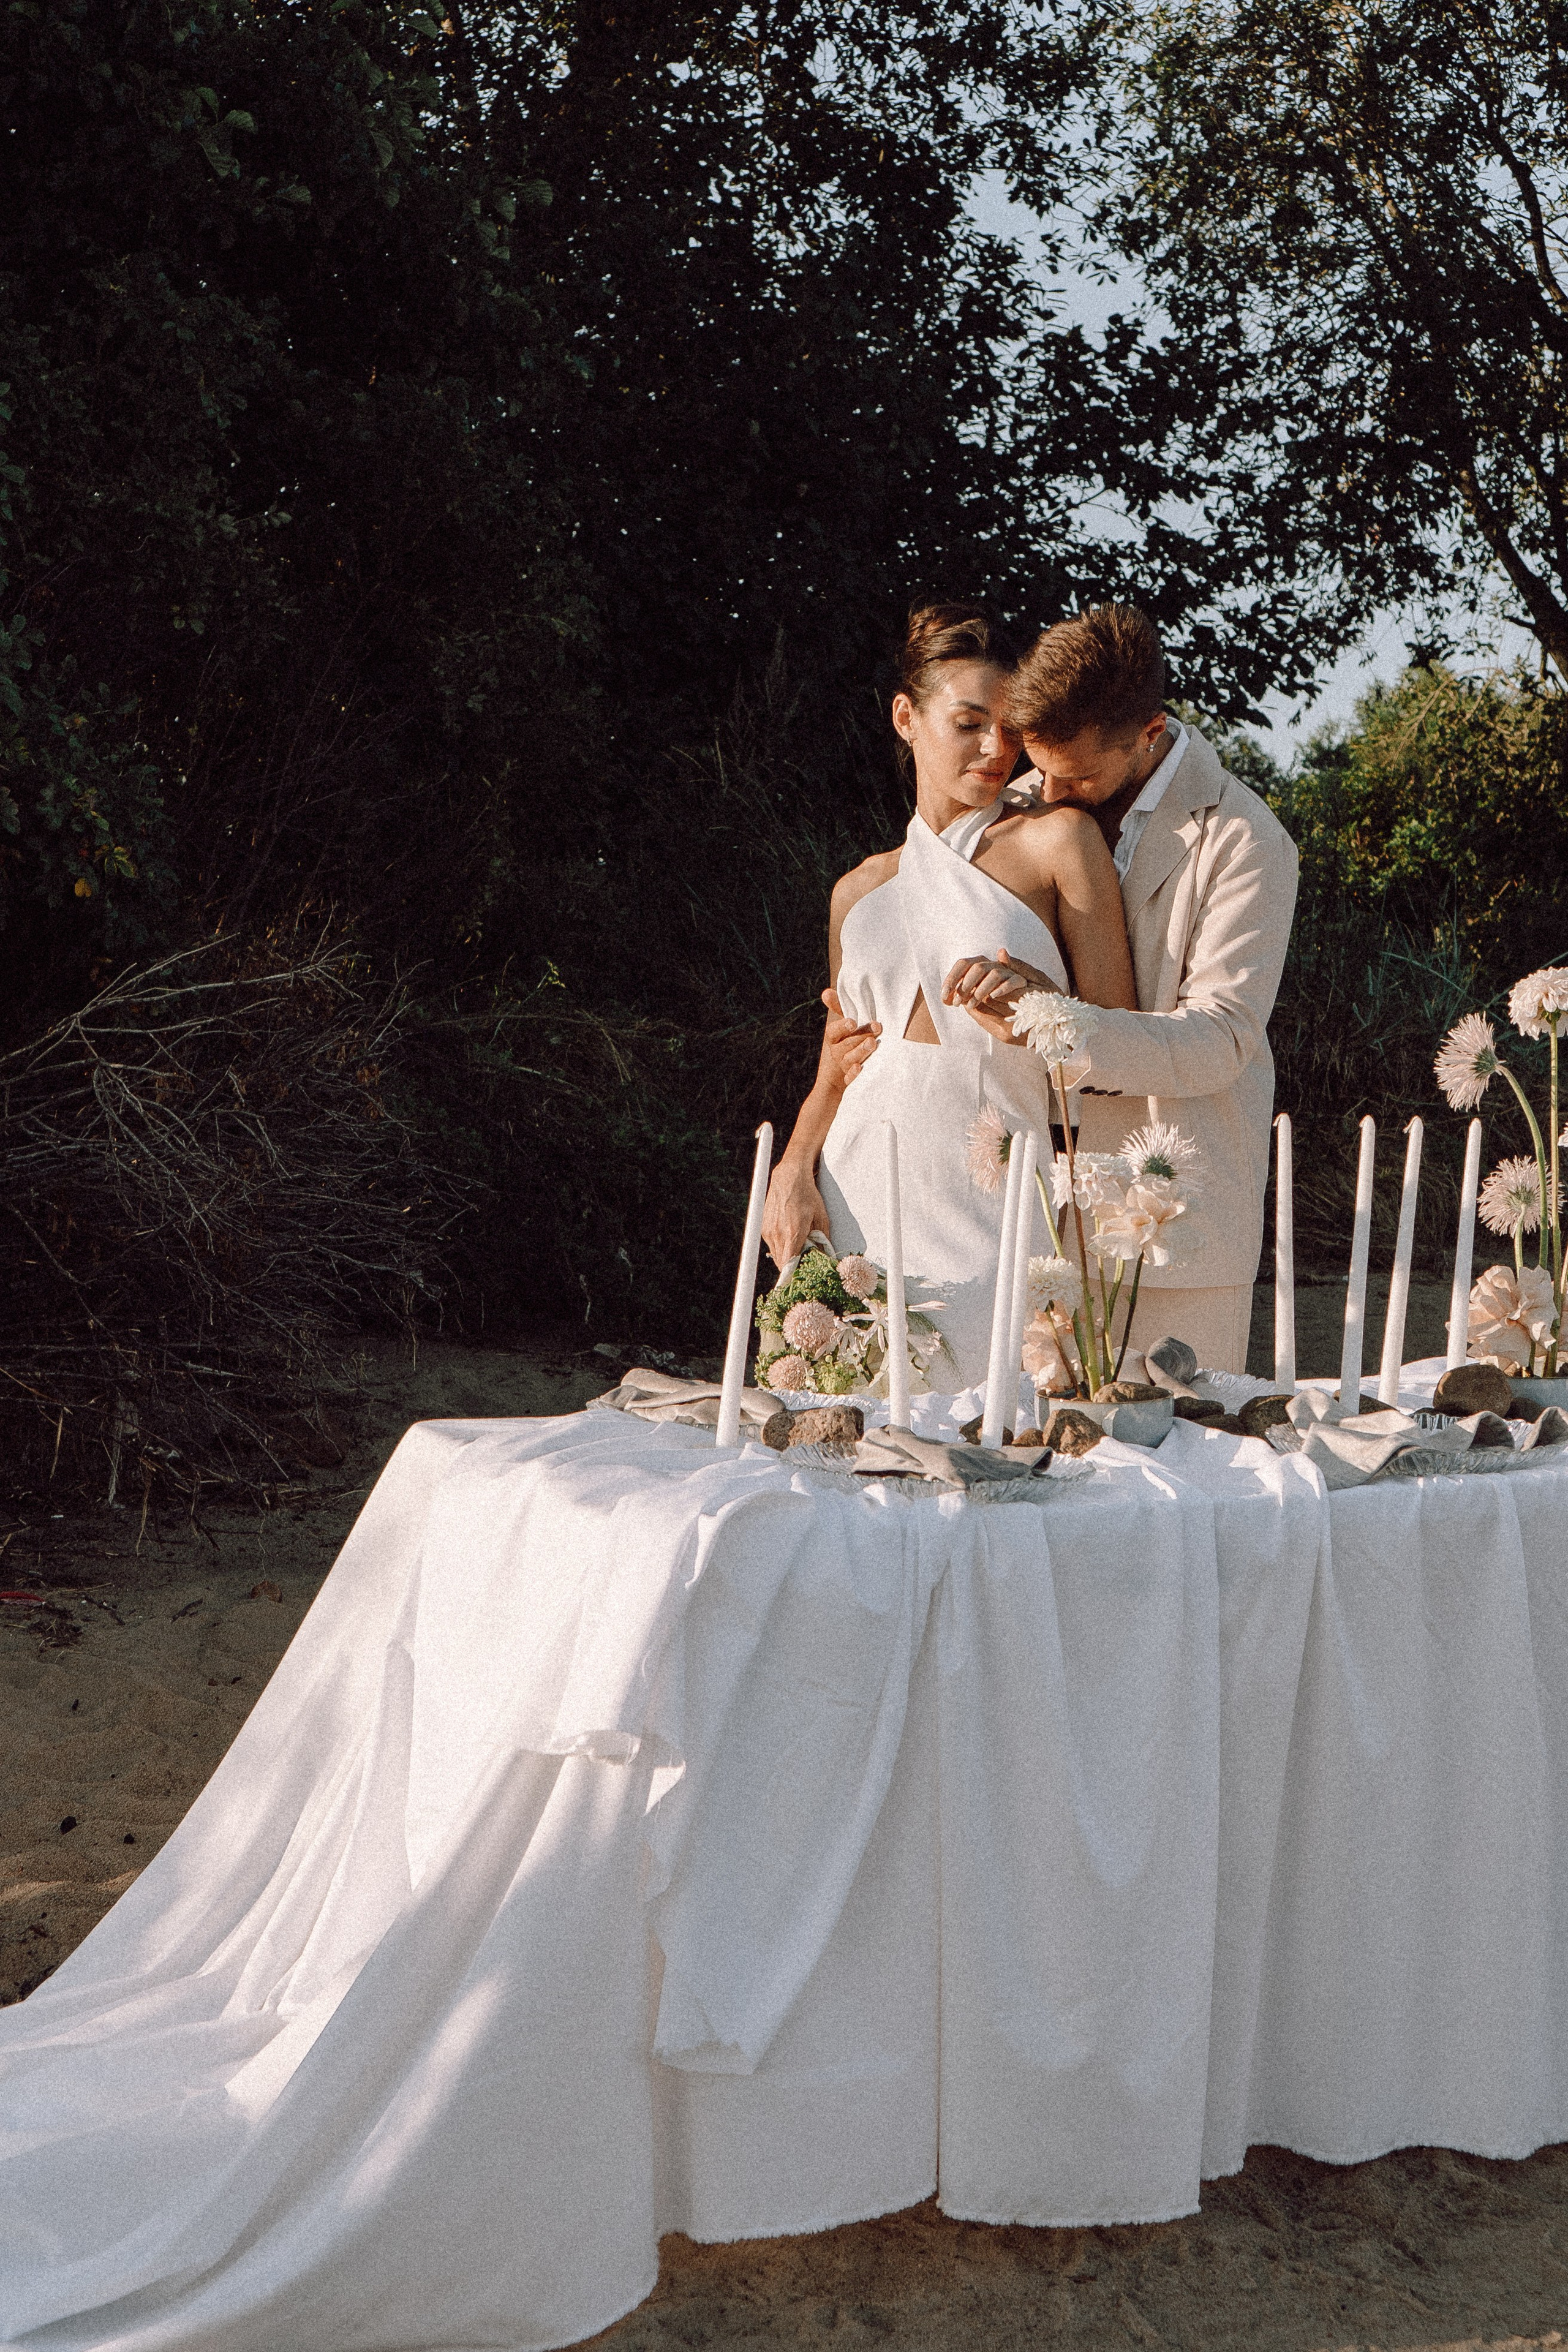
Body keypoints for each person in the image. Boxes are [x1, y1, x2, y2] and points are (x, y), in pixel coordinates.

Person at [761, 603, 1136, 1387]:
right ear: (906, 717)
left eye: (1008, 728)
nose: (995, 749)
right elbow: (842, 1061)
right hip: (857, 1190)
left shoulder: (1059, 843)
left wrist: (1042, 1014)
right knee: (843, 1441)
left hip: (998, 1202)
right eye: (967, 723)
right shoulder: (857, 891)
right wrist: (792, 1168)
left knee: (996, 1448)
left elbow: (1122, 1054)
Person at [944, 603, 1299, 1375]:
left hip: (1177, 1234)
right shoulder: (1022, 807)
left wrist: (1051, 1021)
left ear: (1150, 731)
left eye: (1076, 775)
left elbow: (1222, 1040)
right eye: (1042, 769)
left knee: (1183, 1475)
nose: (1053, 792)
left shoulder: (1245, 840)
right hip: (1033, 1223)